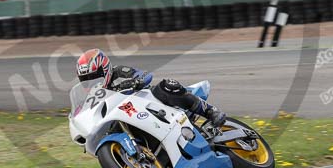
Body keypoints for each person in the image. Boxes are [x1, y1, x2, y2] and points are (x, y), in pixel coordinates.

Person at [76, 48, 227, 126]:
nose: (91, 82)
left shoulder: (119, 72)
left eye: (94, 77)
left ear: (105, 70)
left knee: (166, 85)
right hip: (126, 114)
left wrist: (133, 83)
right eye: (86, 80)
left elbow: (145, 75)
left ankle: (210, 111)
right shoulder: (94, 96)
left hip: (146, 101)